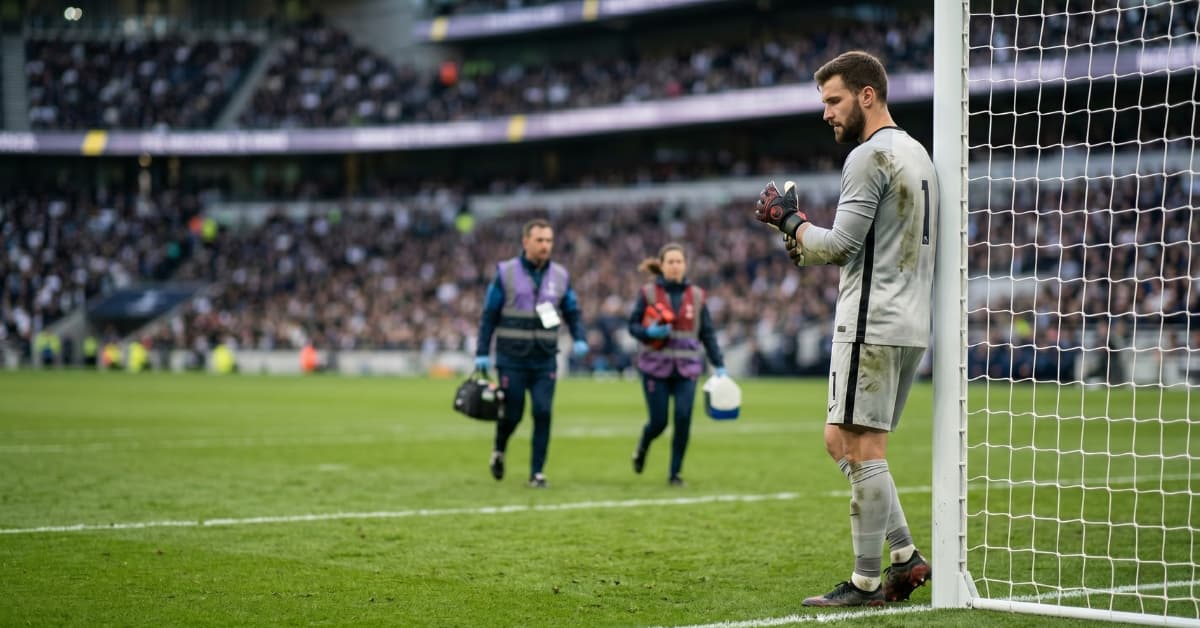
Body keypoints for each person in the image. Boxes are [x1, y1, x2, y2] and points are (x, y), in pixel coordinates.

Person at [751, 50, 938, 606]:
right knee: (840, 438)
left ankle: (865, 582)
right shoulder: (917, 154)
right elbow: (861, 247)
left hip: (870, 322)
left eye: (833, 100)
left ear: (866, 95)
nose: (826, 113)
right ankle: (905, 557)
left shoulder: (868, 156)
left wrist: (788, 220)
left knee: (863, 446)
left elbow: (841, 245)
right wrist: (802, 243)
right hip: (907, 321)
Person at [476, 218, 588, 488]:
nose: (545, 246)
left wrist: (580, 337)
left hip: (544, 356)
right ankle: (499, 449)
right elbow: (490, 314)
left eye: (549, 241)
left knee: (543, 412)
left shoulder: (560, 275)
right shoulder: (506, 273)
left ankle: (537, 472)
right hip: (511, 357)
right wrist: (482, 352)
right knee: (512, 414)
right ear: (525, 242)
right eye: (539, 240)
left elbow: (572, 310)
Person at [627, 243, 726, 487]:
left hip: (687, 368)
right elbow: (632, 326)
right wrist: (648, 331)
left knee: (683, 419)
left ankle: (675, 474)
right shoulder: (647, 293)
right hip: (655, 367)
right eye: (670, 262)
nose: (674, 266)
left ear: (685, 264)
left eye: (678, 261)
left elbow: (708, 334)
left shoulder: (697, 296)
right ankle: (643, 445)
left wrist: (719, 364)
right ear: (661, 265)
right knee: (659, 422)